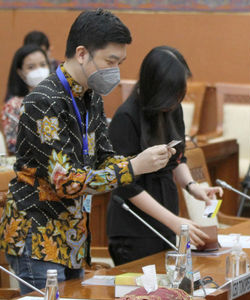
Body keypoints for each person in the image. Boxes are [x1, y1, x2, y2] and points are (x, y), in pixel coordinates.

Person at [0, 9, 176, 294]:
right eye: (110, 61)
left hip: (73, 238)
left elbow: (104, 157)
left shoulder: (90, 96)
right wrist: (133, 168)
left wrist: (142, 159)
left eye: (120, 62)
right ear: (82, 54)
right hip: (38, 239)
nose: (116, 70)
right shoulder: (43, 101)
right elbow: (65, 182)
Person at [106, 46, 222, 266]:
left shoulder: (172, 108)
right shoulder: (126, 117)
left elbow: (178, 158)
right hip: (134, 228)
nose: (177, 100)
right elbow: (126, 185)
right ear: (156, 87)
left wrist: (192, 187)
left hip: (168, 218)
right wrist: (174, 221)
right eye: (173, 93)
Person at [2, 44, 50, 154]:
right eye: (31, 67)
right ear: (20, 72)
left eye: (43, 64)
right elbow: (14, 146)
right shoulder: (14, 106)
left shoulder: (61, 99)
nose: (39, 71)